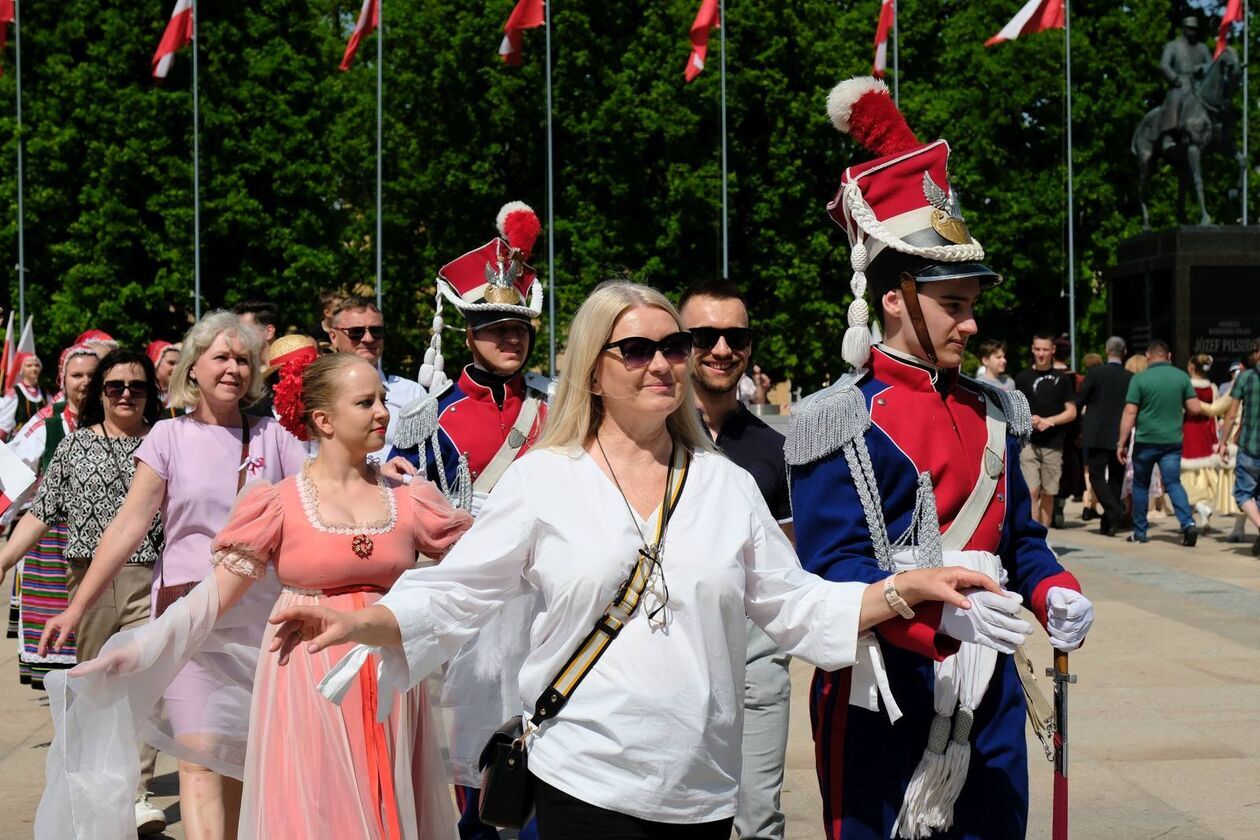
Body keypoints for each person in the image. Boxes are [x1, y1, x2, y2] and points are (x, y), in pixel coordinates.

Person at [271, 279, 1009, 838]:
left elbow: (798, 607)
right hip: (581, 774)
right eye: (638, 349)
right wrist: (366, 621)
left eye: (674, 347)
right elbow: (457, 592)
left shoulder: (724, 484)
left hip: (702, 787)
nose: (664, 363)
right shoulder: (544, 478)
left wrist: (907, 589)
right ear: (594, 370)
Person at [789, 77, 1093, 839]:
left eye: (969, 303)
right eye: (952, 303)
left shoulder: (995, 410)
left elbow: (1018, 540)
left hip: (988, 689)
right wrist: (938, 623)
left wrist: (1053, 585)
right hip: (885, 691)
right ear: (895, 298)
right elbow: (831, 572)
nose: (970, 321)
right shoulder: (837, 419)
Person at [36, 352, 470, 840]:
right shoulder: (280, 502)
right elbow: (214, 595)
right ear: (323, 420)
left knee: (386, 796)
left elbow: (481, 569)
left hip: (390, 679)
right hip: (308, 679)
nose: (382, 413)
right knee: (318, 808)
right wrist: (139, 648)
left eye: (382, 400)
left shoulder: (409, 497)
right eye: (366, 402)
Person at [39, 311, 306, 840]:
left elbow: (320, 492)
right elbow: (128, 526)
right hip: (187, 617)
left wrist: (378, 475)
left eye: (243, 359)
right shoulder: (167, 436)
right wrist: (77, 606)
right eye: (221, 357)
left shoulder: (275, 437)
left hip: (262, 623)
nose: (233, 368)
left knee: (239, 761)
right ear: (194, 366)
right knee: (199, 756)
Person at [385, 202, 550, 840]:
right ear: (467, 332)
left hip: (550, 591)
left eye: (519, 326)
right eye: (492, 326)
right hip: (474, 604)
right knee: (477, 763)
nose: (510, 338)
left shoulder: (554, 407)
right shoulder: (431, 418)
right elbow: (402, 512)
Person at [1, 349, 167, 833]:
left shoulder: (164, 442)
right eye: (115, 386)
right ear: (100, 393)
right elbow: (41, 510)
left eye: (136, 386)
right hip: (88, 582)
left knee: (144, 685)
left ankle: (137, 795)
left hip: (149, 581)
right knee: (96, 687)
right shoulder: (75, 447)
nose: (126, 394)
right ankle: (94, 789)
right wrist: (5, 558)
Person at [679, 278, 793, 840]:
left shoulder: (775, 450)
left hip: (753, 658)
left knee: (756, 821)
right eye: (704, 335)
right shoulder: (647, 439)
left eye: (736, 336)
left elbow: (788, 567)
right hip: (669, 652)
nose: (722, 349)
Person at [5, 344, 99, 688]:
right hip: (53, 543)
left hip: (103, 544)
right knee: (59, 642)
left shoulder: (117, 420)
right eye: (77, 375)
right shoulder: (46, 423)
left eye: (92, 375)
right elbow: (9, 477)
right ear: (63, 379)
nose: (85, 382)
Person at [1117, 339, 1203, 545]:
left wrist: (1121, 442)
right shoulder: (1181, 377)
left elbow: (1130, 412)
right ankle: (1188, 524)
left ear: (1148, 357)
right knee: (1173, 483)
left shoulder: (1139, 380)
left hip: (1145, 440)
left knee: (1140, 485)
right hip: (1172, 440)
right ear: (1169, 356)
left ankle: (1140, 532)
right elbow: (1196, 408)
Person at [327, 296, 424, 462]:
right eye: (356, 332)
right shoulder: (317, 391)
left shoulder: (412, 394)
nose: (368, 339)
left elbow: (424, 457)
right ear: (333, 336)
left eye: (376, 331)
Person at [1015, 331, 1078, 526]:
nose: (1041, 354)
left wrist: (1049, 421)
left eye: (1045, 349)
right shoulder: (1023, 377)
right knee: (1032, 491)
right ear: (1033, 350)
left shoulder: (1062, 378)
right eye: (1037, 349)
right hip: (1029, 443)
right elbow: (1017, 409)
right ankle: (1034, 540)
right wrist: (1029, 419)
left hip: (1054, 443)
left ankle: (1044, 536)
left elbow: (1072, 411)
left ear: (1052, 351)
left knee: (1049, 493)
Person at [1076, 336, 1133, 536]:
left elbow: (1079, 401)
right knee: (1116, 478)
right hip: (1120, 433)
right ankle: (1110, 522)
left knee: (1096, 476)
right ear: (1124, 352)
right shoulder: (1130, 376)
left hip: (1096, 433)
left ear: (1107, 351)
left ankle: (1114, 512)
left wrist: (1078, 428)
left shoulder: (1095, 373)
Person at [1181, 354, 1233, 532]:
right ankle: (1199, 511)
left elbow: (1182, 411)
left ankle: (1199, 509)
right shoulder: (1212, 388)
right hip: (1206, 432)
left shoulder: (1186, 386)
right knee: (1203, 474)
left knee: (1187, 475)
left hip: (1188, 430)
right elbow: (1214, 411)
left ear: (1191, 367)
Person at [1219, 339, 1260, 555]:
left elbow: (1232, 413)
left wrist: (1223, 441)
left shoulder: (1245, 378)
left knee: (1243, 493)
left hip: (1251, 447)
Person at [0, 354, 51, 439]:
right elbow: (4, 424)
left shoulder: (44, 392)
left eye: (36, 365)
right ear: (21, 369)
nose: (34, 368)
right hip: (20, 442)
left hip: (41, 440)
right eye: (29, 365)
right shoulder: (15, 392)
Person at [148, 340, 182, 419]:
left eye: (179, 364)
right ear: (156, 362)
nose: (176, 368)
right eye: (171, 363)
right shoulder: (145, 395)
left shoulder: (183, 395)